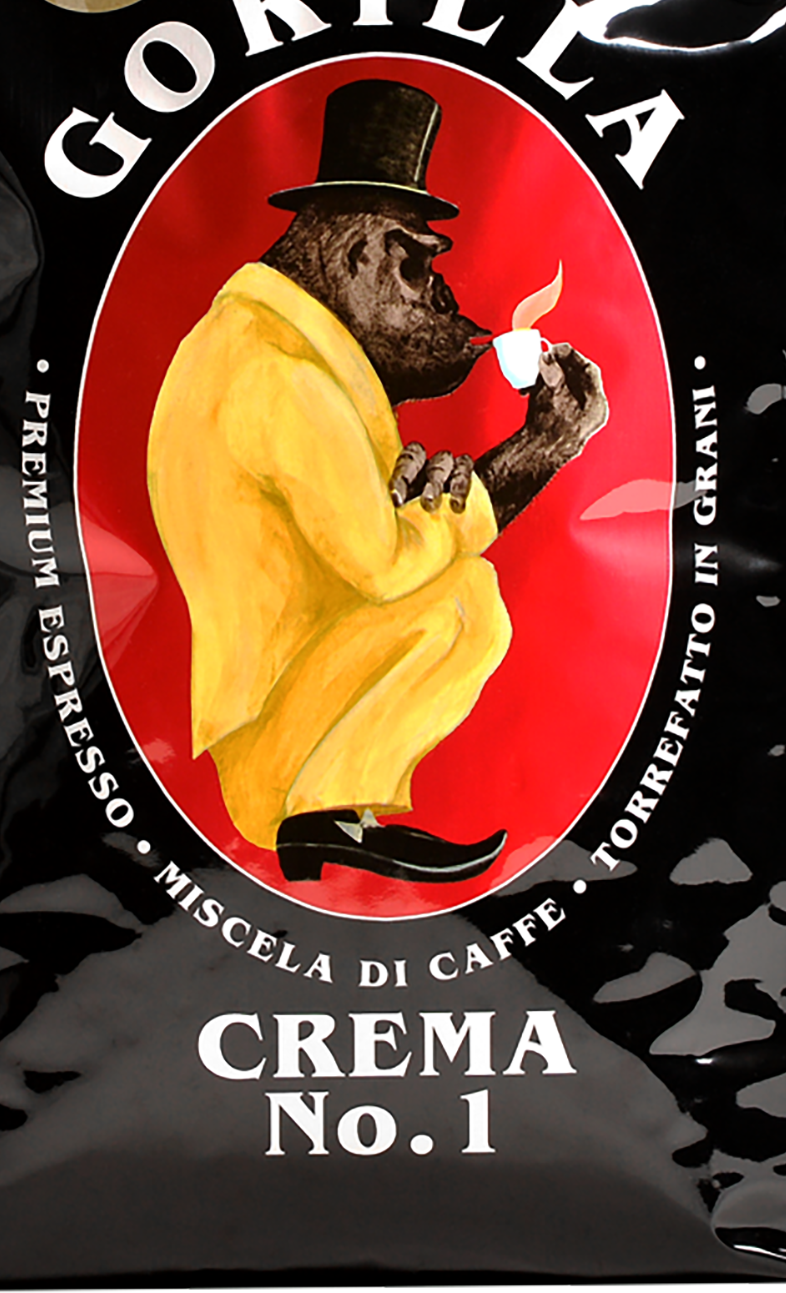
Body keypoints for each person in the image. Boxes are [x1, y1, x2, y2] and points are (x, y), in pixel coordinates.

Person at [147, 79, 607, 885]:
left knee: (453, 582)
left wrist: (424, 500)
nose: (441, 298)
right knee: (464, 599)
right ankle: (320, 813)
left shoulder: (258, 343)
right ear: (363, 254)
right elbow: (385, 566)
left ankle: (336, 811)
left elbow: (348, 549)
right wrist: (532, 453)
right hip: (275, 755)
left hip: (287, 705)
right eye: (419, 265)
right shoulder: (283, 376)